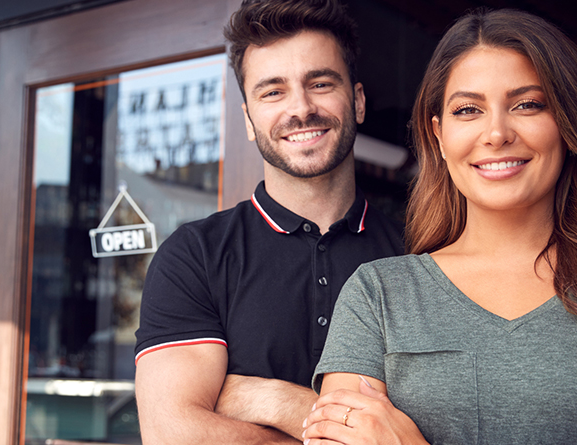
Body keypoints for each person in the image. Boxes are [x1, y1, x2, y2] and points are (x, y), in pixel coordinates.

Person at [303, 8, 577, 445]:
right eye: (468, 109)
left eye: (528, 104)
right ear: (439, 136)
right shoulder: (378, 297)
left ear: (567, 123)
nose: (497, 133)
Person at [134, 1, 403, 443]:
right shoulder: (195, 257)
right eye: (272, 92)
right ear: (247, 118)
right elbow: (173, 433)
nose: (300, 108)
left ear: (357, 102)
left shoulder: (423, 249)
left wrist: (272, 399)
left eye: (319, 83)